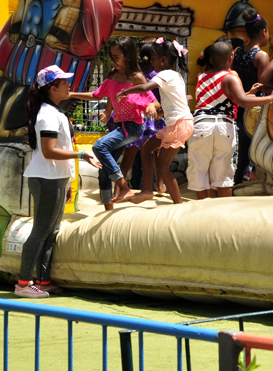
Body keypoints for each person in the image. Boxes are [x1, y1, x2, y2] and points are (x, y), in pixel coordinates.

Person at [15, 65, 101, 298]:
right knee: (40, 231)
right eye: (64, 82)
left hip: (55, 179)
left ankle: (42, 281)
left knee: (51, 231)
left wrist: (67, 182)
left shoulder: (54, 111)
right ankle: (23, 284)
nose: (68, 85)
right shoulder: (47, 114)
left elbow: (60, 147)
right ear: (53, 88)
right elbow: (49, 151)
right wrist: (82, 155)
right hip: (46, 179)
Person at [187, 41, 273, 199]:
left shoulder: (201, 76)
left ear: (210, 59)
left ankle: (202, 209)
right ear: (231, 57)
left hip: (201, 125)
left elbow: (225, 98)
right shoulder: (230, 77)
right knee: (223, 174)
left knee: (199, 171)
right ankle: (224, 210)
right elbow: (242, 101)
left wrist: (248, 94)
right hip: (223, 126)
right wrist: (272, 97)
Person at [68, 36, 154, 210]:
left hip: (133, 127)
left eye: (116, 57)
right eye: (111, 57)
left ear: (128, 56)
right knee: (103, 170)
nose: (113, 61)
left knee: (99, 146)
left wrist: (151, 105)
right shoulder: (113, 76)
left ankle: (124, 187)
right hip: (119, 126)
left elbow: (152, 100)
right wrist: (71, 94)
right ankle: (108, 209)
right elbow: (97, 95)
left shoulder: (137, 78)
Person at [119, 38, 193, 204]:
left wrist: (125, 91)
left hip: (178, 124)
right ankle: (147, 190)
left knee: (162, 166)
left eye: (153, 59)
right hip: (180, 122)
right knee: (146, 149)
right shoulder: (176, 75)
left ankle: (178, 203)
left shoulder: (164, 74)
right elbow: (173, 103)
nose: (151, 62)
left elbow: (145, 87)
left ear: (163, 60)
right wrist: (159, 113)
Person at [231, 9, 271, 183]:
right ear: (264, 32)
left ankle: (237, 183)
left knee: (242, 152)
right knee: (252, 151)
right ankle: (243, 184)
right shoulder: (261, 56)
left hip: (238, 106)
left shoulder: (237, 51)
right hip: (255, 110)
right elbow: (263, 83)